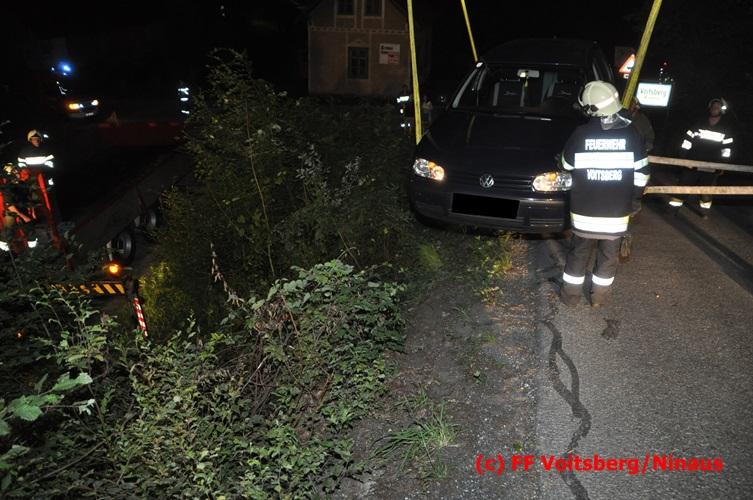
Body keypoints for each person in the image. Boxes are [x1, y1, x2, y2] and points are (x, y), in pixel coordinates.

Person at [559, 81, 649, 307]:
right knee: (609, 257)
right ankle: (598, 298)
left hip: (584, 212)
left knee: (578, 253)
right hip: (616, 214)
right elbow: (642, 174)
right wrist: (634, 200)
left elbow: (565, 165)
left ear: (590, 108)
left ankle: (570, 298)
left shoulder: (580, 133)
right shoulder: (632, 133)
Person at [668, 98, 735, 217]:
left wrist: (722, 165)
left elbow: (727, 150)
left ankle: (704, 212)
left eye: (717, 107)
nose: (714, 108)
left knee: (706, 191)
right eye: (713, 106)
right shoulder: (699, 124)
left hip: (711, 167)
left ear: (721, 110)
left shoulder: (726, 129)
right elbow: (687, 141)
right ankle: (673, 210)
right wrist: (684, 158)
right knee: (683, 187)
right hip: (692, 163)